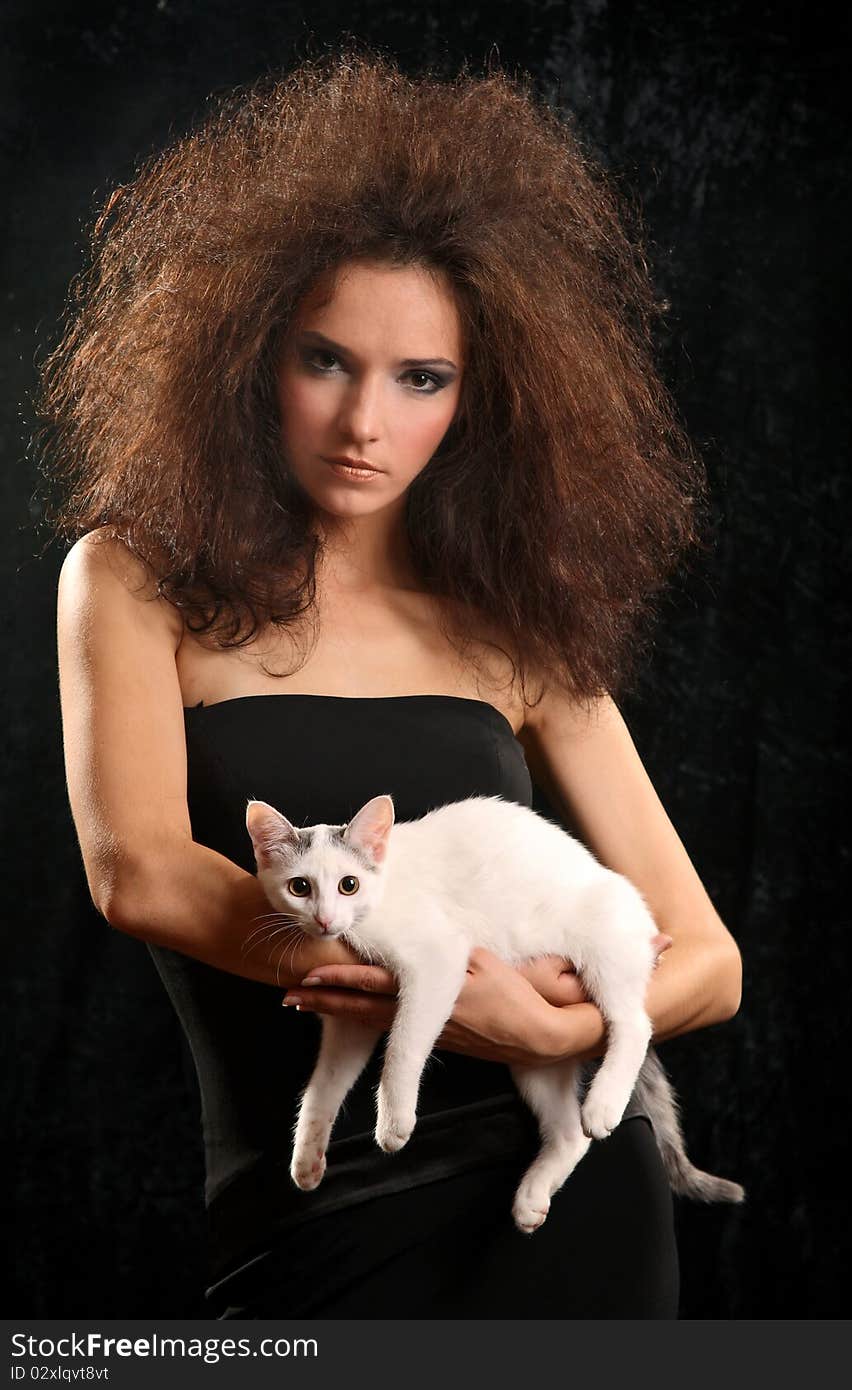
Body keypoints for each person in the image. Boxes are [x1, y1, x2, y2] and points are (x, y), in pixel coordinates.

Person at [42, 50, 742, 1318]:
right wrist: (399, 964)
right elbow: (135, 868)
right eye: (327, 360)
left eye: (422, 378)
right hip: (306, 1216)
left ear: (479, 402)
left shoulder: (512, 628)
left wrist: (551, 1030)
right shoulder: (130, 581)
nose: (366, 419)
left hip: (564, 1198)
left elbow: (707, 957)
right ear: (250, 355)